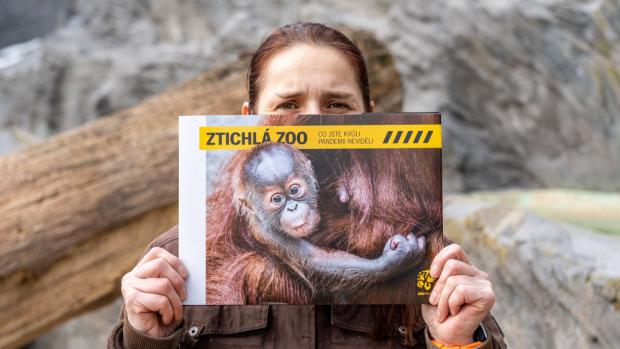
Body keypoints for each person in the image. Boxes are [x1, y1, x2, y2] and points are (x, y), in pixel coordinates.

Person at [108, 22, 506, 349]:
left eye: (337, 105)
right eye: (288, 105)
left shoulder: (426, 255)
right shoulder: (182, 260)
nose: (314, 122)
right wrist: (146, 336)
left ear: (369, 115)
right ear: (253, 117)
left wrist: (457, 340)